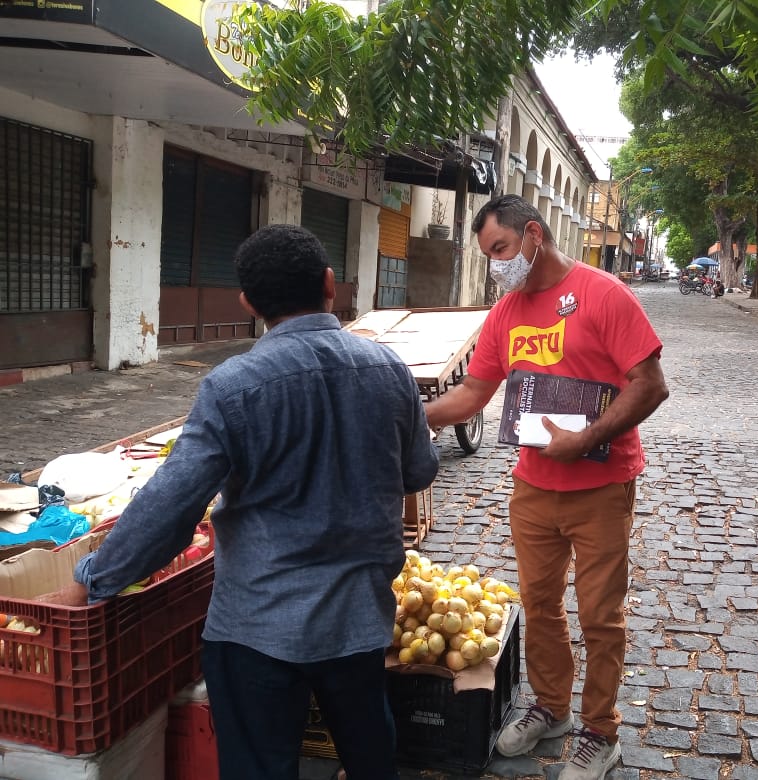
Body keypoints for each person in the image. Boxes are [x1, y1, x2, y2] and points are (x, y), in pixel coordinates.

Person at [72, 224, 440, 780]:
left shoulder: (233, 385)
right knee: (369, 751)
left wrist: (91, 580)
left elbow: (170, 506)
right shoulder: (388, 369)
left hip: (257, 629)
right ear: (329, 283)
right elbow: (419, 471)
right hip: (358, 618)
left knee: (260, 768)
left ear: (247, 302)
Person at [425, 194, 668, 780]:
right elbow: (470, 398)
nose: (496, 265)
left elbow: (651, 385)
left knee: (599, 616)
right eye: (488, 255)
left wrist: (585, 440)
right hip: (533, 487)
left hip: (602, 486)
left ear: (534, 234)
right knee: (537, 603)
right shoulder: (506, 313)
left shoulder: (604, 294)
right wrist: (406, 413)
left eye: (502, 249)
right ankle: (552, 707)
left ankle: (600, 731)